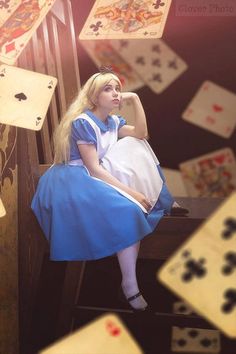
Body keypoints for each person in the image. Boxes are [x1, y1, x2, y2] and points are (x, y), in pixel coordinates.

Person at [31, 67, 188, 311]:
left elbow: (142, 134)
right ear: (94, 97)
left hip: (93, 173)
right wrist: (133, 193)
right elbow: (93, 169)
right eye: (108, 89)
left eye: (118, 89)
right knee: (129, 210)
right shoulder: (83, 122)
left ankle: (164, 200)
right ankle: (130, 285)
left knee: (136, 144)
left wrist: (135, 99)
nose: (116, 93)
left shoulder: (113, 121)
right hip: (72, 180)